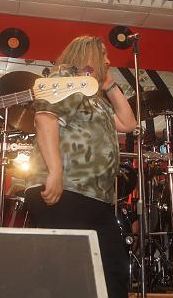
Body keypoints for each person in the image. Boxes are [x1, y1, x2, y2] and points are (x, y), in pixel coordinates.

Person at [24, 36, 138, 298]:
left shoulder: (92, 95)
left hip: (96, 197)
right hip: (67, 190)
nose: (108, 60)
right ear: (87, 55)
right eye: (103, 54)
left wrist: (109, 84)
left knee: (113, 273)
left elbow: (128, 123)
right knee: (70, 276)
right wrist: (55, 171)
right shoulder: (64, 79)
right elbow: (45, 119)